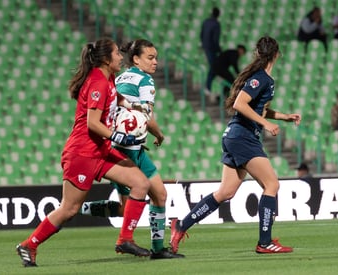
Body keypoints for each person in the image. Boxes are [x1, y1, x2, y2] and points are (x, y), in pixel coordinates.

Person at [16, 38, 154, 267]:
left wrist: (133, 107)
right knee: (69, 209)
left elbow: (116, 98)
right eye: (116, 54)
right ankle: (29, 244)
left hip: (101, 150)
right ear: (106, 59)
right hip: (82, 153)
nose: (121, 57)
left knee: (140, 183)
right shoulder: (97, 82)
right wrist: (118, 136)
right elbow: (92, 123)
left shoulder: (108, 78)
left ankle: (125, 240)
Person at [170, 36, 301, 254]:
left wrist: (283, 116)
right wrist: (265, 124)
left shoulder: (262, 79)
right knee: (272, 185)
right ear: (277, 54)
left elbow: (256, 107)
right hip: (243, 137)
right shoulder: (262, 78)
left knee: (225, 192)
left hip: (234, 136)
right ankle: (265, 242)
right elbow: (241, 104)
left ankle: (181, 225)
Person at [79, 39, 183, 260]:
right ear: (136, 59)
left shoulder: (120, 76)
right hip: (125, 150)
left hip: (129, 146)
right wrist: (159, 134)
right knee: (131, 206)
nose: (155, 62)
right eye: (150, 57)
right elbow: (145, 114)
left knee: (159, 194)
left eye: (156, 57)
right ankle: (80, 208)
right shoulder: (145, 81)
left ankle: (157, 249)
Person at [201, 7, 221, 96]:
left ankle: (209, 86)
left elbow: (201, 35)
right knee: (214, 67)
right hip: (212, 48)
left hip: (206, 47)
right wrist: (219, 50)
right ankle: (208, 87)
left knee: (214, 67)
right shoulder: (216, 24)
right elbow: (215, 39)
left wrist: (204, 45)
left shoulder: (205, 22)